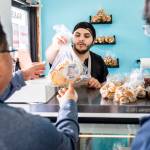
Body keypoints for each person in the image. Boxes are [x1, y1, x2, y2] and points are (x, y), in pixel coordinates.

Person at [0, 22, 79, 150]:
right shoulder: (29, 129)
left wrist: (23, 75)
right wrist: (68, 104)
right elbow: (67, 143)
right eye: (10, 51)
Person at [46, 22, 108, 89]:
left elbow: (105, 87)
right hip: (63, 98)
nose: (81, 39)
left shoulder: (98, 60)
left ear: (93, 41)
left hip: (90, 99)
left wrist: (98, 85)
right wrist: (55, 45)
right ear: (72, 38)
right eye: (77, 35)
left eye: (86, 36)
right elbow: (50, 57)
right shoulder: (63, 56)